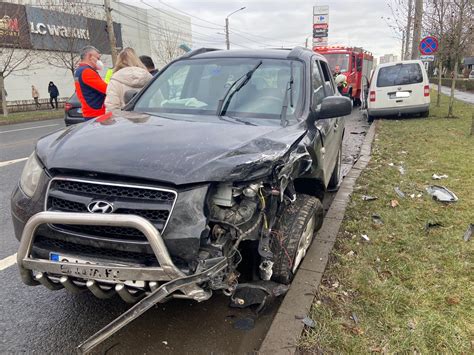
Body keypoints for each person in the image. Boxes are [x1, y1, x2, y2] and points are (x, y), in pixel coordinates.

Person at [74, 45, 108, 120]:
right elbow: (107, 89)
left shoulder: (79, 71)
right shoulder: (87, 72)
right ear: (90, 56)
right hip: (96, 113)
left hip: (89, 112)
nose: (99, 61)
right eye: (98, 58)